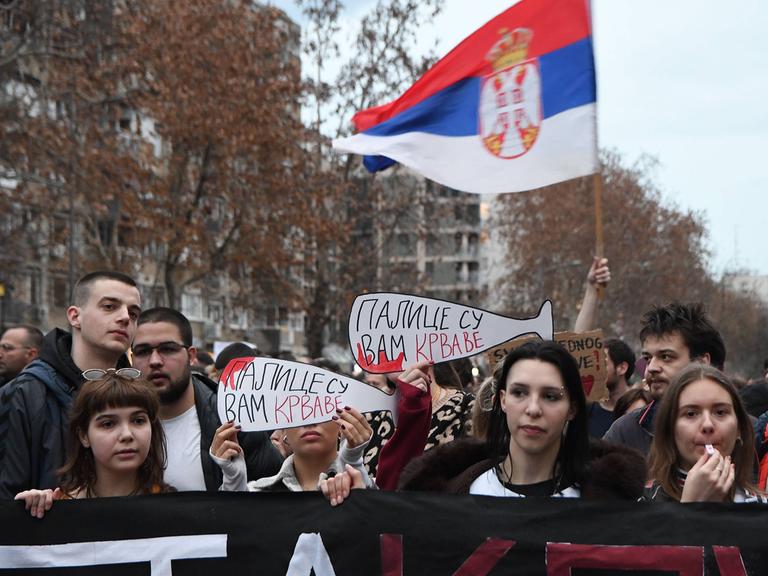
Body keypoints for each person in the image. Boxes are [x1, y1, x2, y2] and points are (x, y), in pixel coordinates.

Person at [399, 341, 646, 499]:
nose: (533, 408)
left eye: (550, 396)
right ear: (503, 400)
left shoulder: (608, 504)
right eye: (520, 393)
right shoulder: (457, 493)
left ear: (572, 408)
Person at [0, 271, 141, 498]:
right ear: (75, 317)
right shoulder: (25, 394)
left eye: (133, 313)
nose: (125, 317)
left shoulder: (140, 393)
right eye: (109, 307)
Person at [131, 308, 281, 491]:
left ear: (191, 356)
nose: (154, 360)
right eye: (143, 351)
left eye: (168, 349)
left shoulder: (234, 421)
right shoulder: (116, 424)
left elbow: (279, 497)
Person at [14, 370, 173, 518]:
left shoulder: (173, 507)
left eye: (138, 421)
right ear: (84, 436)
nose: (126, 435)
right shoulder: (60, 508)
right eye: (108, 424)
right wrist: (25, 514)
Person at [603, 302, 725, 457]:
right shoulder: (626, 432)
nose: (652, 367)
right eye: (647, 358)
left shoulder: (744, 431)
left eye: (666, 357)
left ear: (701, 362)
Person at [645, 364, 764, 503]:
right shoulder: (643, 506)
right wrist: (691, 506)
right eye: (691, 414)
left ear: (739, 429)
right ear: (670, 429)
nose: (708, 424)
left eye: (720, 412)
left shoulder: (759, 509)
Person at [212, 406, 374, 499]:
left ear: (341, 423)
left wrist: (353, 465)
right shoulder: (257, 493)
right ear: (282, 431)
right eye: (296, 411)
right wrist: (234, 483)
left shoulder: (363, 485)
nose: (310, 420)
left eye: (321, 409)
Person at [587, 339, 635, 438]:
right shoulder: (587, 410)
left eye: (602, 364)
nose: (596, 370)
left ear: (622, 368)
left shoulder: (641, 411)